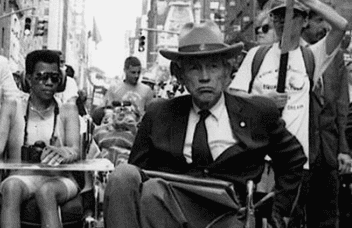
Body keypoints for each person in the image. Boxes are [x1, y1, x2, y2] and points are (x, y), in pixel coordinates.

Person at [103, 21, 306, 228]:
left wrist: (278, 212)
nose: (205, 77)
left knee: (153, 192)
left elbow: (294, 159)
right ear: (180, 75)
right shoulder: (159, 114)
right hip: (169, 209)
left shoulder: (257, 112)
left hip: (229, 213)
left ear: (227, 72)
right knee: (128, 177)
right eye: (194, 68)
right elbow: (137, 174)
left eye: (213, 66)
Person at [229, 0, 348, 225]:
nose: (284, 20)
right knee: (257, 221)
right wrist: (262, 102)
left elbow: (341, 26)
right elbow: (233, 100)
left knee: (289, 221)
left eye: (292, 15)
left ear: (304, 21)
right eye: (278, 16)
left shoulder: (311, 57)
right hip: (261, 162)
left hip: (296, 165)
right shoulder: (256, 57)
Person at [0, 50, 80, 228]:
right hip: (21, 177)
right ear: (28, 79)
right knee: (11, 188)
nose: (49, 83)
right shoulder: (12, 107)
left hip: (59, 178)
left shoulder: (68, 110)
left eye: (54, 77)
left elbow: (75, 149)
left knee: (46, 192)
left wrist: (64, 152)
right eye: (42, 77)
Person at [300, 9, 351, 227]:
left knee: (328, 218)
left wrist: (343, 150)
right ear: (305, 22)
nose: (324, 27)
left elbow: (341, 105)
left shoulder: (335, 54)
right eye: (319, 20)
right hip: (299, 155)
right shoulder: (290, 56)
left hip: (328, 153)